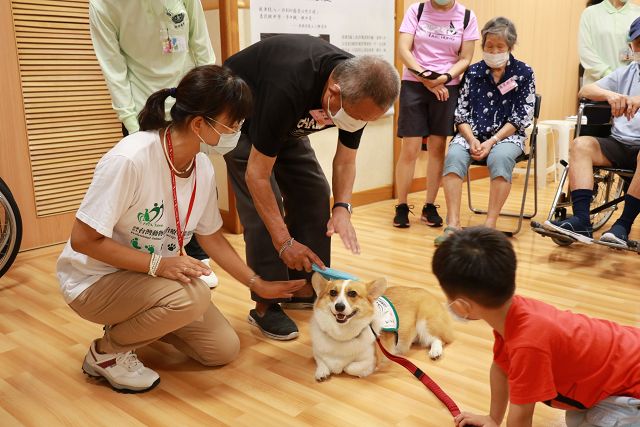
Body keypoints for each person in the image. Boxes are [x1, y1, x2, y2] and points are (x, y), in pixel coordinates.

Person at [56, 65, 306, 393]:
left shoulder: (201, 166)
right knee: (194, 295)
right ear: (200, 124)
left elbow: (211, 237)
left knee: (222, 349)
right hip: (94, 280)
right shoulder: (130, 159)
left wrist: (258, 284)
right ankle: (106, 354)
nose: (237, 132)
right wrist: (159, 264)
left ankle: (140, 317)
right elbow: (83, 239)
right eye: (233, 124)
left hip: (152, 278)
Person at [223, 34, 400, 341]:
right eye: (356, 117)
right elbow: (257, 175)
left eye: (365, 120)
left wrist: (343, 208)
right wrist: (284, 242)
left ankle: (307, 286)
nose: (358, 123)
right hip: (240, 122)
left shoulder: (361, 88)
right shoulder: (289, 82)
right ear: (334, 91)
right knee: (264, 208)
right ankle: (267, 304)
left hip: (286, 126)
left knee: (315, 192)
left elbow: (345, 161)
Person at [432, 227, 640, 427]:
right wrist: (493, 419)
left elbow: (521, 418)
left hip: (632, 387)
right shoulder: (512, 313)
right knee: (577, 418)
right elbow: (500, 369)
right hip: (619, 369)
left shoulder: (528, 343)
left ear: (462, 306)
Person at [89, 0, 218, 286]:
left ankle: (189, 247)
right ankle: (146, 265)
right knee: (146, 195)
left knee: (191, 179)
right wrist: (134, 128)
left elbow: (202, 48)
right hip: (143, 110)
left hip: (190, 106)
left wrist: (211, 104)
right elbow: (114, 68)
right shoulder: (104, 5)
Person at [435, 17, 535, 245]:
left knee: (500, 159)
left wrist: (492, 141)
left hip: (507, 136)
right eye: (489, 46)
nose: (494, 51)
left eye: (500, 47)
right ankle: (452, 223)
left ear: (510, 46)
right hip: (472, 135)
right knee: (453, 156)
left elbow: (522, 116)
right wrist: (470, 139)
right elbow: (460, 112)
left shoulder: (523, 72)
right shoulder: (473, 72)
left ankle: (490, 225)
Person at [544, 17, 640, 248]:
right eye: (639, 43)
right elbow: (585, 90)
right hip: (619, 142)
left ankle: (622, 226)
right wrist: (610, 95)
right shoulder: (627, 72)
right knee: (581, 144)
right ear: (632, 47)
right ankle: (582, 221)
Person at [393, 0, 479, 228]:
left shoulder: (467, 15)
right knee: (410, 147)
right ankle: (401, 205)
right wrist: (426, 77)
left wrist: (444, 78)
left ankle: (429, 205)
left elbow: (465, 58)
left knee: (437, 146)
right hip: (414, 82)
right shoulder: (416, 9)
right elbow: (403, 49)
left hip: (447, 85)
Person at [579, 0, 640, 87]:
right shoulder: (590, 13)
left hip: (629, 86)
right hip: (597, 87)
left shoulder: (637, 13)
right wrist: (609, 75)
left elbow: (637, 52)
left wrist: (623, 76)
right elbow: (586, 52)